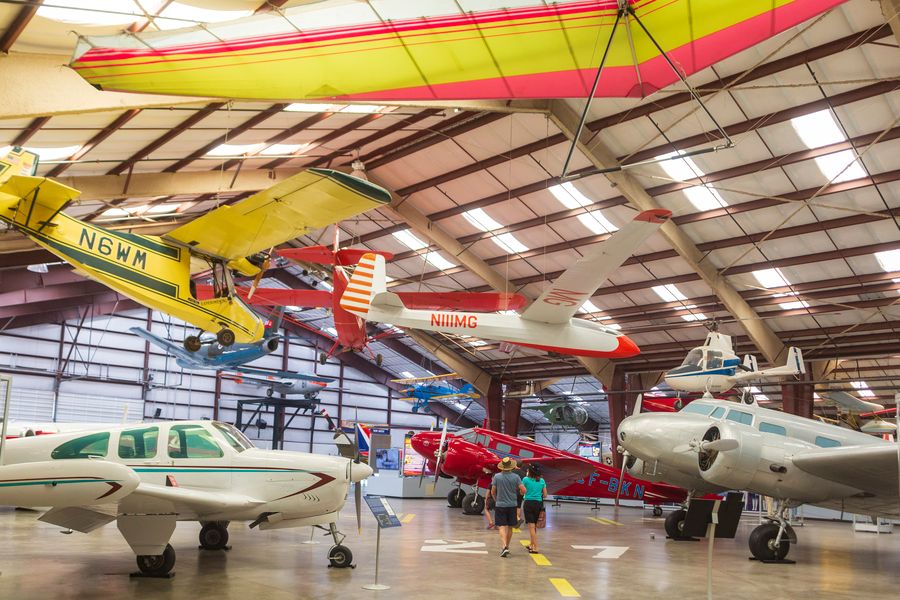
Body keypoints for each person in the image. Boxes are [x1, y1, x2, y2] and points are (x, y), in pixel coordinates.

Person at [491, 456, 526, 557]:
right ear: (511, 467)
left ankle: (504, 546)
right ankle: (507, 547)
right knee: (510, 527)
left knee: (502, 526)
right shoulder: (516, 477)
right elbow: (523, 490)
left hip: (500, 505)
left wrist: (496, 499)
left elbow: (493, 491)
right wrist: (519, 493)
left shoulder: (497, 477)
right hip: (512, 505)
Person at [522, 464, 548, 554]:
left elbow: (522, 491)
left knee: (531, 526)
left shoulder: (525, 480)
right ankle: (531, 544)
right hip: (538, 504)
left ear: (529, 471)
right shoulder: (542, 480)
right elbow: (545, 495)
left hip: (528, 503)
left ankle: (536, 547)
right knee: (534, 526)